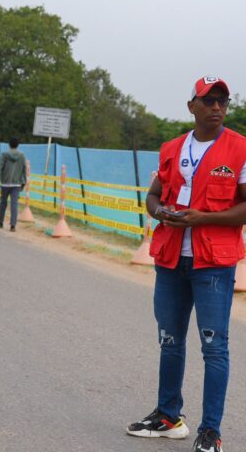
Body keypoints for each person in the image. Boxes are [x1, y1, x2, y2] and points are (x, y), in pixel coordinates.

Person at [126, 76, 246, 452]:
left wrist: (202, 219)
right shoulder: (172, 148)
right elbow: (153, 195)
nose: (216, 107)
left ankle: (211, 432)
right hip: (171, 258)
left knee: (214, 347)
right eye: (208, 100)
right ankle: (168, 416)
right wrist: (162, 212)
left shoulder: (240, 149)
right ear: (191, 105)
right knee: (170, 340)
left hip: (213, 262)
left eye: (222, 101)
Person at [0, 137, 26, 231]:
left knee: (3, 202)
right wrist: (23, 182)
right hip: (16, 184)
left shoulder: (4, 154)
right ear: (18, 145)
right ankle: (13, 225)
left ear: (9, 144)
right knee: (14, 204)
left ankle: (0, 222)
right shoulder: (22, 155)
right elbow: (24, 170)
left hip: (5, 184)